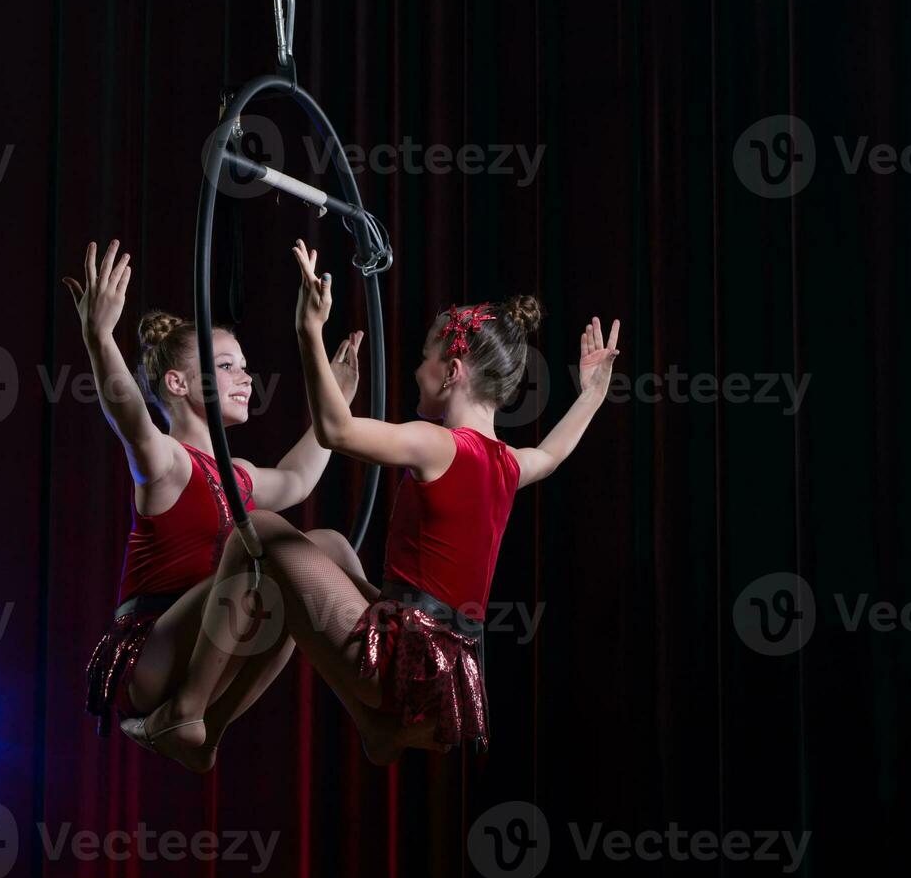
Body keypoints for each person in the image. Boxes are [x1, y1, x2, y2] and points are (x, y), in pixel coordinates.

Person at [125, 238, 620, 768]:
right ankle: (374, 730)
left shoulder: (439, 444)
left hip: (402, 660)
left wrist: (308, 331)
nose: (415, 372)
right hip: (447, 671)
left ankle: (189, 708)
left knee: (261, 531)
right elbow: (554, 452)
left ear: (452, 372)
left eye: (426, 359)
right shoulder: (509, 463)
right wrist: (591, 393)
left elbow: (336, 430)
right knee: (331, 545)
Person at [65, 239, 368, 773]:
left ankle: (368, 683)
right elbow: (130, 419)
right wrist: (99, 338)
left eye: (244, 365)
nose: (246, 376)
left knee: (325, 547)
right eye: (227, 365)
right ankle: (185, 710)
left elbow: (298, 477)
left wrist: (335, 400)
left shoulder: (240, 477)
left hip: (212, 637)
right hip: (148, 653)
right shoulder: (168, 461)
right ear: (177, 383)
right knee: (266, 548)